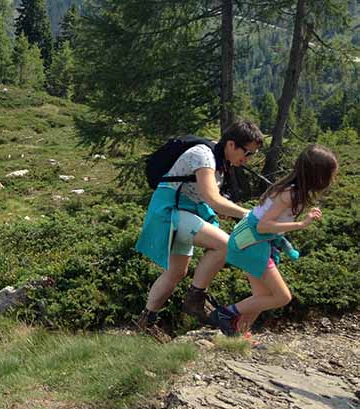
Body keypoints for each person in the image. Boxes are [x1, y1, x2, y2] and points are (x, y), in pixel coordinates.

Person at [135, 120, 264, 339]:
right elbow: (213, 199)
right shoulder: (204, 155)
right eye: (248, 152)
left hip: (181, 213)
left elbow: (206, 197)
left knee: (176, 272)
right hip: (170, 211)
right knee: (225, 245)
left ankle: (145, 322)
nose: (248, 159)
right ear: (231, 144)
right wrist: (247, 214)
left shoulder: (219, 161)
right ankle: (195, 299)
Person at [211, 144, 338, 336]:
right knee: (281, 296)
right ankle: (226, 313)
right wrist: (301, 225)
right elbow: (263, 226)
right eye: (329, 174)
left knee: (261, 296)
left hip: (248, 240)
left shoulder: (292, 190)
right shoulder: (290, 194)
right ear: (317, 175)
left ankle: (238, 334)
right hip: (251, 243)